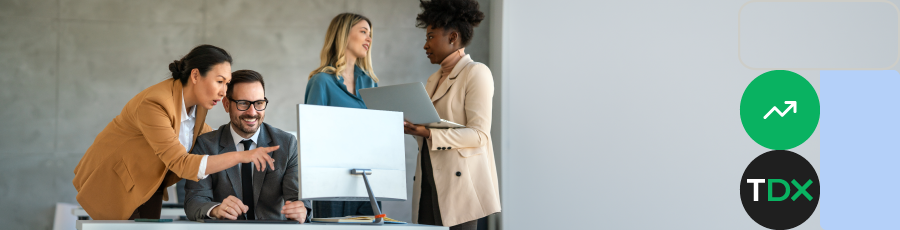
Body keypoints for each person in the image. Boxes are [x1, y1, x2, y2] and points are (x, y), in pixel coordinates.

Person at [72, 45, 280, 220]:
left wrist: (240, 137)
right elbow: (180, 163)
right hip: (116, 184)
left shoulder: (198, 106)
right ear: (196, 75)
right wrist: (242, 156)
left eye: (226, 84)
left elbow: (199, 134)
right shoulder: (154, 104)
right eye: (219, 81)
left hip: (149, 185)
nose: (224, 92)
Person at [403, 1, 500, 229]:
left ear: (453, 37)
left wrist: (427, 132)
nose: (425, 45)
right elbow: (428, 133)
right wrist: (411, 128)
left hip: (460, 187)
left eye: (430, 37)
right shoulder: (433, 80)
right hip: (429, 178)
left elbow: (479, 136)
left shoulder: (476, 73)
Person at [184, 70, 310, 222]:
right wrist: (216, 209)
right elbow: (194, 201)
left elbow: (298, 198)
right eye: (243, 103)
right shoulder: (205, 145)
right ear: (226, 104)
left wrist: (301, 209)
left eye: (259, 103)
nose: (252, 112)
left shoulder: (286, 144)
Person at [304, 13, 382, 218]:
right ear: (344, 35)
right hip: (332, 180)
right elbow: (312, 136)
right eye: (363, 32)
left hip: (369, 178)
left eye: (370, 34)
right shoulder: (321, 81)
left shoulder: (370, 83)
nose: (369, 39)